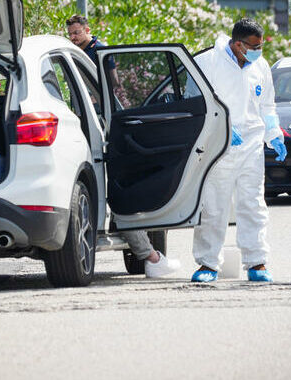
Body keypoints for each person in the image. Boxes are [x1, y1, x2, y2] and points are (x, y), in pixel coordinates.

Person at [65, 15, 180, 278]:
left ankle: (146, 253)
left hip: (101, 117)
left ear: (87, 31)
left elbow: (114, 84)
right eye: (70, 33)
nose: (73, 37)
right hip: (87, 118)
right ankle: (149, 255)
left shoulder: (99, 51)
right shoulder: (74, 53)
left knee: (119, 190)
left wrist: (96, 97)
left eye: (77, 33)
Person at [186, 18, 287, 283]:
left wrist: (274, 133)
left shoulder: (260, 66)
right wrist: (224, 128)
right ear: (237, 44)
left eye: (261, 46)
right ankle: (207, 264)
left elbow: (267, 105)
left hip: (252, 146)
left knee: (253, 205)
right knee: (214, 207)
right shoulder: (209, 62)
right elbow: (196, 102)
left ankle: (257, 262)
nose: (258, 51)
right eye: (253, 46)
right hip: (219, 148)